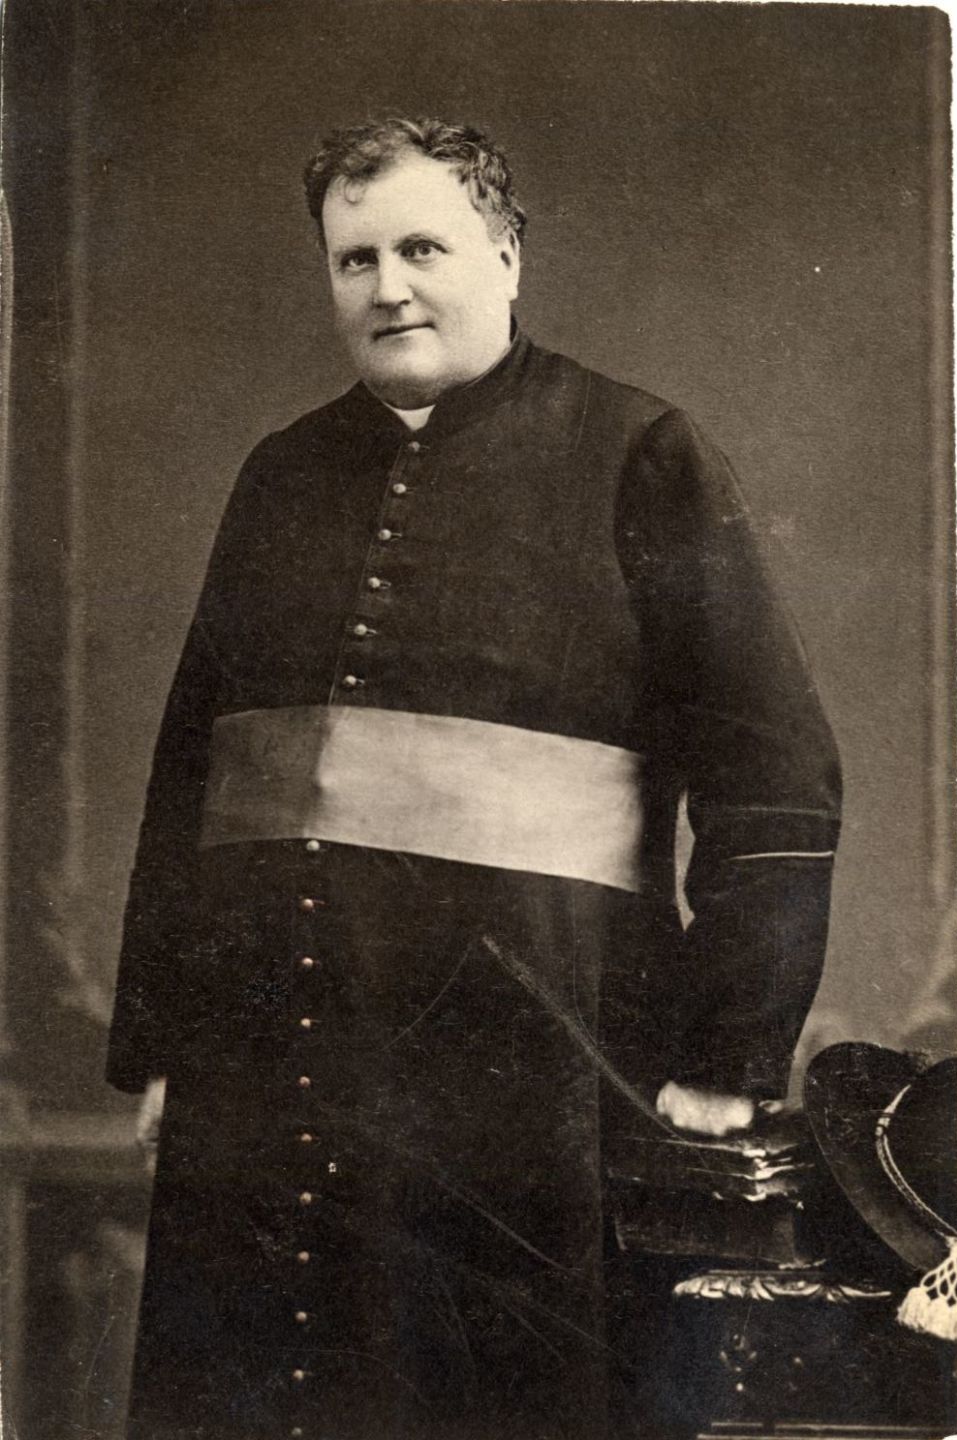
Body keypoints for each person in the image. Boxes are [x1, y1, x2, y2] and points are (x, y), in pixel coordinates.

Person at [107, 117, 842, 1440]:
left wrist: (730, 1051)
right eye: (355, 260)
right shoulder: (280, 474)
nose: (387, 288)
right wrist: (167, 1040)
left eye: (422, 249)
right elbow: (196, 773)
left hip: (531, 1085)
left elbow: (776, 774)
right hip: (262, 1072)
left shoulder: (642, 452)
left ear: (506, 255)